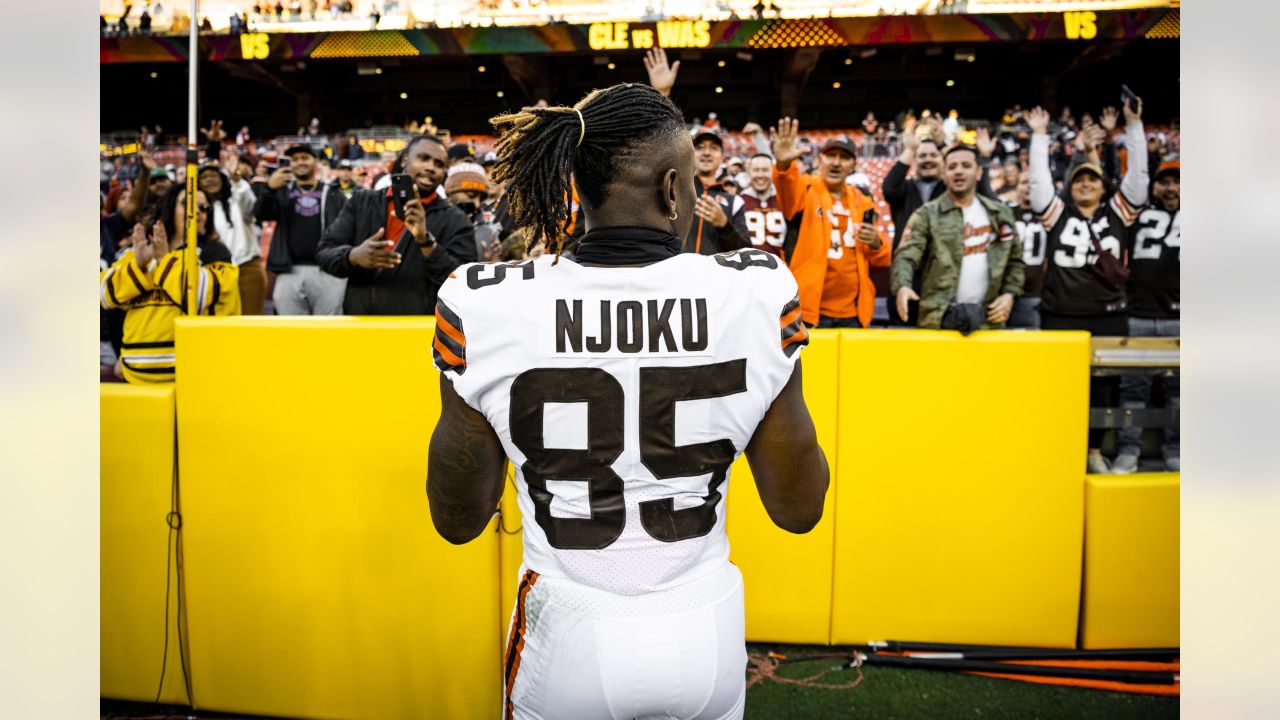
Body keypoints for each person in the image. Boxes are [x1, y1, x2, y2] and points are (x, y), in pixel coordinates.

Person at [426, 83, 829, 720]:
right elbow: (799, 507)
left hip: (567, 630)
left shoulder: (483, 299)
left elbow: (457, 519)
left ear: (574, 188)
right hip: (704, 627)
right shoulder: (757, 289)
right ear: (673, 189)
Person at [1028, 100, 1148, 474]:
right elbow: (1038, 182)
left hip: (1109, 316)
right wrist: (1038, 137)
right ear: (1070, 185)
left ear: (1103, 186)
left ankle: (1095, 449)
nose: (1084, 183)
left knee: (1106, 390)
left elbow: (1139, 178)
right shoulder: (1055, 214)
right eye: (1079, 179)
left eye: (1092, 179)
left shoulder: (1119, 213)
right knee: (1056, 389)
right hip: (1059, 315)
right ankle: (1057, 448)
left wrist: (1133, 126)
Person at [315, 134, 476, 315]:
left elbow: (465, 283)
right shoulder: (362, 202)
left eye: (439, 164)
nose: (431, 167)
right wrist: (352, 256)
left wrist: (426, 242)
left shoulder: (456, 219)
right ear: (406, 159)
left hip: (418, 331)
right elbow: (324, 253)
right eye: (424, 158)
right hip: (360, 326)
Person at [99, 186, 241, 384]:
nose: (197, 211)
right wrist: (139, 267)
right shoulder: (138, 250)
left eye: (204, 207)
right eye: (187, 203)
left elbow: (199, 296)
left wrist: (163, 261)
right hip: (134, 375)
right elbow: (103, 294)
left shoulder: (215, 253)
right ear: (169, 207)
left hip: (190, 377)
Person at [771, 119, 891, 329]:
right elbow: (787, 191)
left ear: (853, 165)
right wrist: (783, 165)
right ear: (820, 159)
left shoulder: (862, 200)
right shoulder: (805, 188)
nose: (836, 162)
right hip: (810, 312)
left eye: (844, 157)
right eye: (831, 155)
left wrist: (876, 244)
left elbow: (881, 259)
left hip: (854, 312)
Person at [891, 145, 1024, 333]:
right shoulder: (926, 214)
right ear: (944, 174)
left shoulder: (1000, 214)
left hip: (989, 318)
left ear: (979, 172)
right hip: (937, 318)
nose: (958, 171)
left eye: (966, 165)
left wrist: (1010, 294)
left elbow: (1015, 261)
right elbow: (906, 255)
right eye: (952, 167)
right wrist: (903, 286)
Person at [1113, 160, 1180, 473]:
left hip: (1182, 318)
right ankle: (1129, 450)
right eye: (1164, 182)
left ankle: (1175, 450)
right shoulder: (1137, 216)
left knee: (1180, 392)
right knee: (1133, 392)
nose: (1171, 188)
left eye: (1177, 182)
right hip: (1138, 314)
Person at [255, 144, 348, 314]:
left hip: (327, 271)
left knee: (329, 331)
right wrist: (269, 188)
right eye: (295, 159)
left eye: (304, 158)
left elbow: (347, 228)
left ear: (316, 162)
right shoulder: (281, 191)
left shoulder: (334, 193)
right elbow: (261, 214)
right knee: (291, 332)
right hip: (289, 270)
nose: (299, 163)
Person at [882, 123, 944, 325]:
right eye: (922, 155)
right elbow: (889, 188)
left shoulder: (950, 191)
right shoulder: (904, 190)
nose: (927, 160)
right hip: (906, 277)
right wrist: (910, 149)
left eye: (933, 155)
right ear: (915, 161)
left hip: (941, 278)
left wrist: (944, 144)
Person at [198, 157, 266, 315]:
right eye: (204, 177)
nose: (210, 180)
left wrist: (236, 175)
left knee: (251, 324)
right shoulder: (196, 210)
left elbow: (250, 207)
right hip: (214, 271)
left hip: (246, 268)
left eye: (214, 176)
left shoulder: (236, 198)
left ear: (222, 178)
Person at [1005, 173, 1048, 329]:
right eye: (1024, 182)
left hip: (1034, 294)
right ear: (1015, 188)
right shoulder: (1005, 212)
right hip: (1004, 294)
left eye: (1033, 183)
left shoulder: (1049, 214)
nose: (1029, 187)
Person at [443, 161, 502, 261]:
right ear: (450, 195)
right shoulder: (432, 225)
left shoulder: (488, 233)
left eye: (481, 199)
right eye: (471, 195)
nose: (477, 204)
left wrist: (491, 264)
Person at [738, 153, 786, 258]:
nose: (760, 175)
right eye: (756, 170)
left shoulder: (784, 200)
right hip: (746, 269)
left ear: (773, 172)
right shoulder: (738, 201)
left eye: (765, 170)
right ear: (749, 172)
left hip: (779, 269)